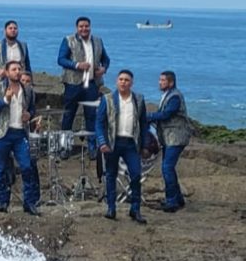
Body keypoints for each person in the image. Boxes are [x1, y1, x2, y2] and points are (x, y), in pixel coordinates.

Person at [0, 61, 40, 215]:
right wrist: (4, 101)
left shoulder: (27, 91)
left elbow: (32, 110)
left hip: (20, 133)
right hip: (3, 133)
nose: (17, 72)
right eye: (13, 69)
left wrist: (29, 115)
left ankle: (29, 203)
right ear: (7, 72)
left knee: (27, 166)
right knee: (1, 168)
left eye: (19, 69)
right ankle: (3, 201)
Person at [96, 70, 149, 224]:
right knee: (111, 175)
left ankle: (135, 209)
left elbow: (143, 123)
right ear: (116, 81)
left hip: (131, 143)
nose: (123, 82)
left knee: (136, 174)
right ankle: (111, 208)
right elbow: (99, 123)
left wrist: (144, 144)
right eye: (121, 79)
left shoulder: (139, 99)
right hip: (113, 142)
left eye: (126, 80)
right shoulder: (107, 99)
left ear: (131, 83)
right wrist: (102, 142)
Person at [58, 16, 110, 170]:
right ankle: (65, 147)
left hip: (92, 85)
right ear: (76, 28)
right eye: (81, 26)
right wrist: (77, 65)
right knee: (68, 116)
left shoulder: (98, 41)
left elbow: (106, 59)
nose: (84, 29)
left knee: (92, 116)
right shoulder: (68, 40)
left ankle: (92, 148)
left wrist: (103, 69)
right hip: (73, 84)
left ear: (90, 27)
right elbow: (61, 59)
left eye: (86, 26)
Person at [148, 70, 191, 212]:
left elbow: (166, 114)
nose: (160, 82)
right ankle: (177, 198)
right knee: (168, 167)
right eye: (160, 80)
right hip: (169, 137)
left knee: (167, 167)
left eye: (163, 80)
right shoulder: (169, 95)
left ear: (171, 82)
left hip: (176, 137)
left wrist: (149, 116)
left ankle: (172, 201)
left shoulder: (175, 97)